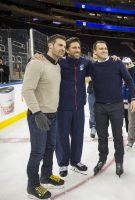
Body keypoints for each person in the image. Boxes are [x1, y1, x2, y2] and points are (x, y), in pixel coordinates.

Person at [22, 34, 66, 199]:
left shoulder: (57, 65)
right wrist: (37, 113)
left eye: (64, 46)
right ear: (50, 45)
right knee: (37, 152)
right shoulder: (36, 63)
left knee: (50, 148)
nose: (62, 48)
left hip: (53, 115)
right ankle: (32, 185)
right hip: (38, 116)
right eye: (59, 45)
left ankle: (46, 175)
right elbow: (27, 90)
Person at [90, 41, 135, 177]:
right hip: (99, 107)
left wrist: (133, 99)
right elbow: (76, 64)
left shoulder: (117, 63)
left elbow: (129, 81)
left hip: (116, 106)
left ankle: (119, 162)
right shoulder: (92, 66)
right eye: (101, 48)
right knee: (102, 137)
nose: (104, 50)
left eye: (105, 48)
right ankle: (102, 159)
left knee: (117, 136)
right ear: (95, 52)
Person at [54, 37, 89, 177]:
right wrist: (36, 56)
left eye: (79, 47)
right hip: (62, 107)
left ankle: (75, 161)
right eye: (74, 48)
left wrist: (113, 58)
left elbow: (100, 65)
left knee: (78, 136)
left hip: (79, 107)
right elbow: (46, 62)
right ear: (67, 50)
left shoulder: (85, 63)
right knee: (61, 137)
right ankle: (63, 164)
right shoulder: (60, 63)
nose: (77, 50)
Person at [122, 57, 134, 133]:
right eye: (125, 64)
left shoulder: (133, 73)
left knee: (128, 117)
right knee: (119, 118)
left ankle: (128, 132)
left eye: (129, 64)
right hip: (119, 99)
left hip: (128, 99)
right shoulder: (119, 72)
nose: (127, 65)